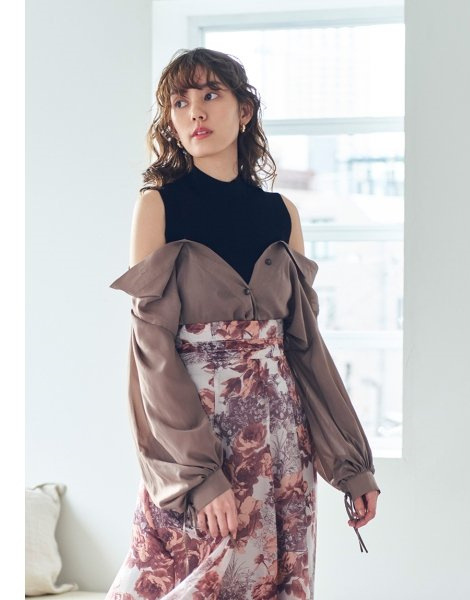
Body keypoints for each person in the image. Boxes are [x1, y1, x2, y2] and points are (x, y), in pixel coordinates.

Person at [106, 47, 381, 600]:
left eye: (211, 95)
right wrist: (199, 475)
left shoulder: (281, 214)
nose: (195, 112)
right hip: (200, 445)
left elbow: (305, 350)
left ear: (245, 110)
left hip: (283, 445)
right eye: (180, 102)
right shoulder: (159, 206)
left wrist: (351, 465)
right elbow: (151, 351)